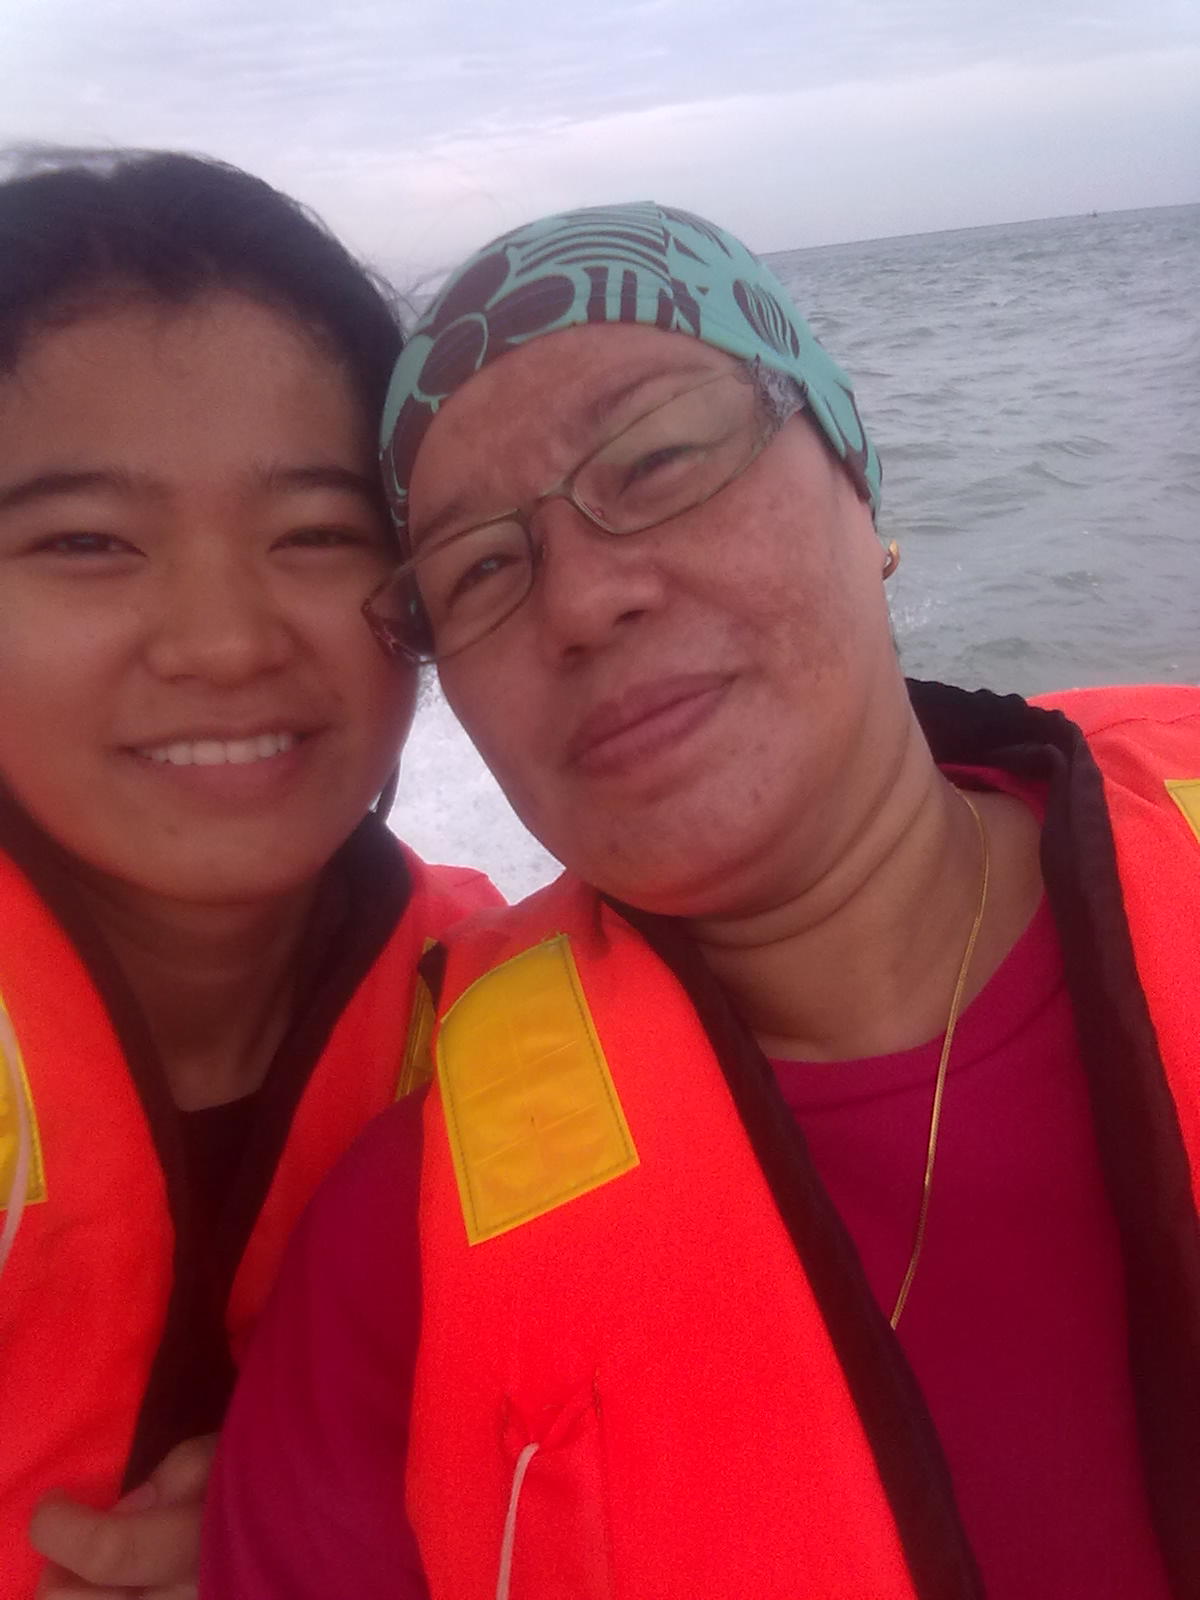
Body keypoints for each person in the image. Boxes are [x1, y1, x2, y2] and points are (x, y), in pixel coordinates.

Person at [204, 202, 1200, 1600]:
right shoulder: (398, 1272)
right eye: (480, 567)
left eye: (659, 461)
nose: (582, 600)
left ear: (854, 472)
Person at [0, 148, 499, 1598]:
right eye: (86, 540)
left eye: (319, 534)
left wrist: (336, 1517)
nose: (224, 643)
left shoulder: (507, 1013)